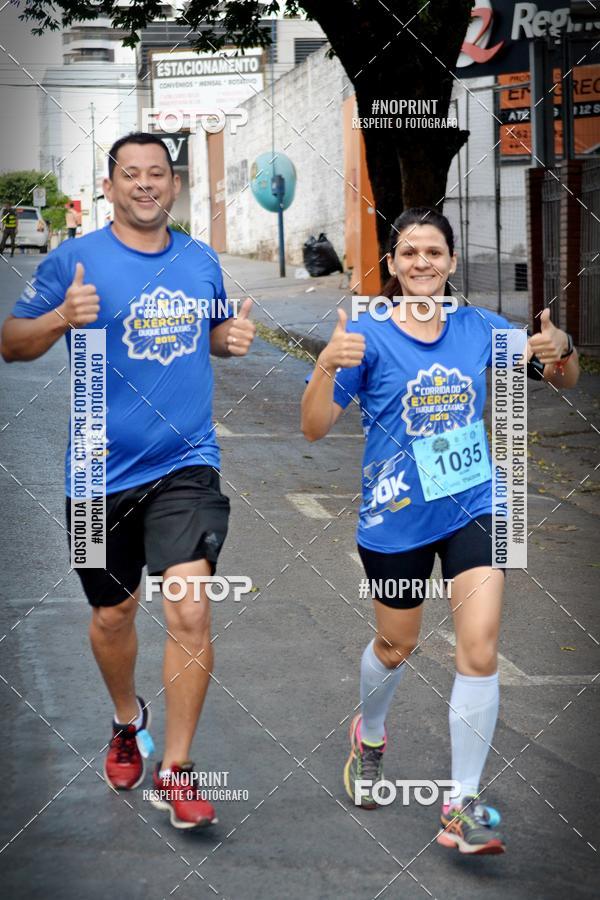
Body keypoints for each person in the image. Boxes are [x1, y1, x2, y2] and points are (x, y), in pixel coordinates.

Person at [301, 207, 579, 855]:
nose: (422, 262)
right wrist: (323, 364)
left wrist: (560, 349)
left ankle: (460, 805)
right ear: (392, 266)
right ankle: (369, 735)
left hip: (473, 506)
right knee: (397, 646)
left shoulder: (480, 328)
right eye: (409, 253)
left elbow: (563, 379)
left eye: (434, 252)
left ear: (452, 263)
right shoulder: (365, 334)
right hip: (396, 515)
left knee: (478, 647)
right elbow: (313, 427)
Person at [1, 132, 256, 831]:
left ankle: (175, 768)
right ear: (109, 186)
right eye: (130, 174)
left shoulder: (200, 260)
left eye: (158, 174)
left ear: (174, 186)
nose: (145, 184)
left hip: (185, 465)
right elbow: (10, 342)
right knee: (113, 613)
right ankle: (125, 720)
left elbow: (211, 332)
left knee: (189, 606)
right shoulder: (73, 261)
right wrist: (59, 317)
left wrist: (225, 339)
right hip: (94, 473)